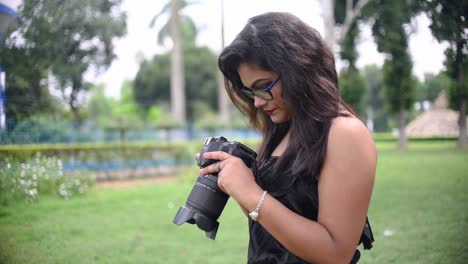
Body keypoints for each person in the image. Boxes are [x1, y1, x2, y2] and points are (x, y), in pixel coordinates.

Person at [198, 12, 377, 264]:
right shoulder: (283, 130)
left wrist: (250, 193)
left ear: (298, 70)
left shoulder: (344, 133)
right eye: (250, 91)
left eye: (264, 86)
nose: (258, 102)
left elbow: (336, 254)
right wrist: (237, 179)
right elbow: (269, 230)